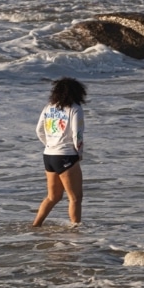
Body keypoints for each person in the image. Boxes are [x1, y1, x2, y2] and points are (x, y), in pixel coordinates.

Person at [32, 77, 86, 227]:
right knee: (75, 198)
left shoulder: (49, 107)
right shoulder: (75, 108)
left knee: (53, 196)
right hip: (66, 154)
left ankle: (36, 225)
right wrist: (79, 152)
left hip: (49, 155)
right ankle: (75, 230)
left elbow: (39, 130)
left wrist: (49, 144)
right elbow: (77, 134)